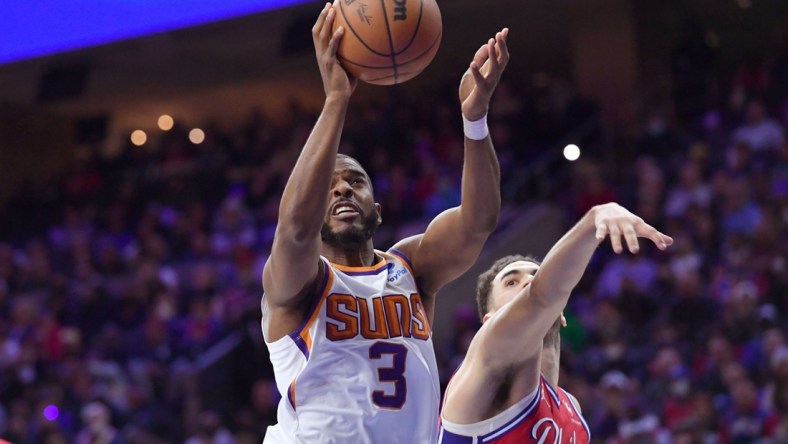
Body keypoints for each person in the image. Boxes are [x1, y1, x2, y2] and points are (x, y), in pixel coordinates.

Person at [261, 3, 510, 443]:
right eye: (329, 187)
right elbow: (294, 230)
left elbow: (478, 222)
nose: (341, 191)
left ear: (377, 210)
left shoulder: (409, 267)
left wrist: (475, 120)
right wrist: (337, 99)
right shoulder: (298, 283)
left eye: (355, 181)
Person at [438, 203, 673, 443]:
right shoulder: (487, 355)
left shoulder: (571, 407)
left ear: (560, 313)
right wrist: (594, 218)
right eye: (511, 283)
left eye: (535, 275)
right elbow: (541, 297)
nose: (529, 282)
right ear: (489, 320)